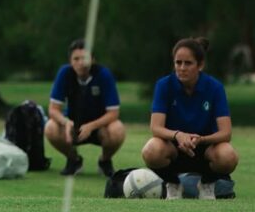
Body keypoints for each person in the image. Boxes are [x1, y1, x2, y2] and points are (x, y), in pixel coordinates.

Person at [142, 36, 239, 199]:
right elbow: (155, 127)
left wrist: (201, 139)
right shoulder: (164, 85)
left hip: (205, 149)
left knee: (228, 156)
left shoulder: (215, 87)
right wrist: (178, 135)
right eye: (178, 63)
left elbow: (226, 133)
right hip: (173, 149)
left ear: (200, 65)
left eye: (188, 63)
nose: (182, 68)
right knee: (151, 150)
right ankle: (173, 183)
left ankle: (207, 184)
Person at [44, 38, 126, 178]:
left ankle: (104, 161)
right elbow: (53, 109)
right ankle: (74, 160)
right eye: (76, 59)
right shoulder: (65, 73)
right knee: (50, 127)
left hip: (100, 128)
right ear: (70, 61)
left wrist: (91, 126)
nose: (81, 63)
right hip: (73, 127)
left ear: (93, 59)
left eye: (85, 58)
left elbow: (113, 113)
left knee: (117, 129)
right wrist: (66, 122)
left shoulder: (104, 75)